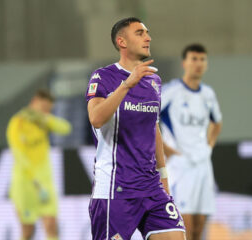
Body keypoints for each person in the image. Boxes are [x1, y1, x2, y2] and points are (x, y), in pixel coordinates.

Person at [85, 17, 186, 240]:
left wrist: (164, 178)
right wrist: (127, 85)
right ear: (122, 41)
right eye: (139, 33)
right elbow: (96, 119)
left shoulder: (154, 82)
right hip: (115, 191)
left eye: (147, 32)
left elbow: (154, 129)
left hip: (152, 188)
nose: (148, 37)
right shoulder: (103, 77)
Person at [160, 44, 223, 240]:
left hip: (203, 165)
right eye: (194, 59)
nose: (198, 64)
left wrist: (209, 145)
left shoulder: (208, 94)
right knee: (183, 226)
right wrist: (165, 149)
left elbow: (217, 122)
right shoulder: (171, 91)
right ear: (184, 63)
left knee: (198, 228)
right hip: (181, 166)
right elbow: (148, 119)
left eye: (202, 59)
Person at [7, 89, 72, 240]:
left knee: (51, 226)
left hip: (45, 185)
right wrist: (34, 180)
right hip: (26, 185)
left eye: (48, 110)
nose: (46, 112)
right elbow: (18, 154)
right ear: (34, 102)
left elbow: (66, 128)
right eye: (44, 109)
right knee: (28, 230)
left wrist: (45, 118)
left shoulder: (43, 122)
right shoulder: (18, 122)